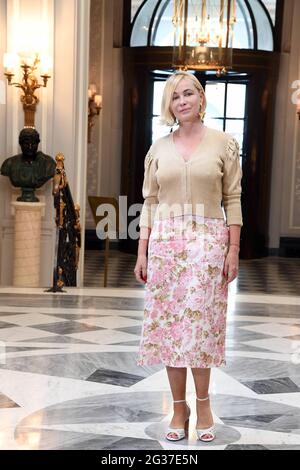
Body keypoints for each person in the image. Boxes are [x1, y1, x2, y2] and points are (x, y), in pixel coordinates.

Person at [134, 71, 243, 443]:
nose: (182, 101)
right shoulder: (158, 149)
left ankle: (204, 403)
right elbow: (149, 201)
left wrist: (234, 248)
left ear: (200, 97)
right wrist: (142, 250)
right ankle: (179, 408)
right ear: (169, 105)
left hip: (208, 245)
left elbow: (233, 199)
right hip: (166, 245)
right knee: (169, 331)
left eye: (188, 94)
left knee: (200, 330)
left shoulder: (223, 144)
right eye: (174, 97)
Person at [0, 127, 56, 202]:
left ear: (38, 143)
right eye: (26, 144)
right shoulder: (9, 163)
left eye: (33, 144)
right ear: (20, 144)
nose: (30, 147)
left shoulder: (48, 163)